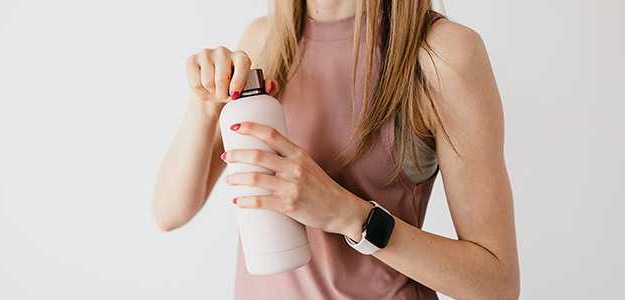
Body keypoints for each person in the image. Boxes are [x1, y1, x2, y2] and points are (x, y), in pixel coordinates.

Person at [152, 0, 520, 299]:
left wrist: (350, 215)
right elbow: (169, 212)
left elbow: (497, 283)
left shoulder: (442, 54)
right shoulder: (264, 39)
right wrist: (203, 107)